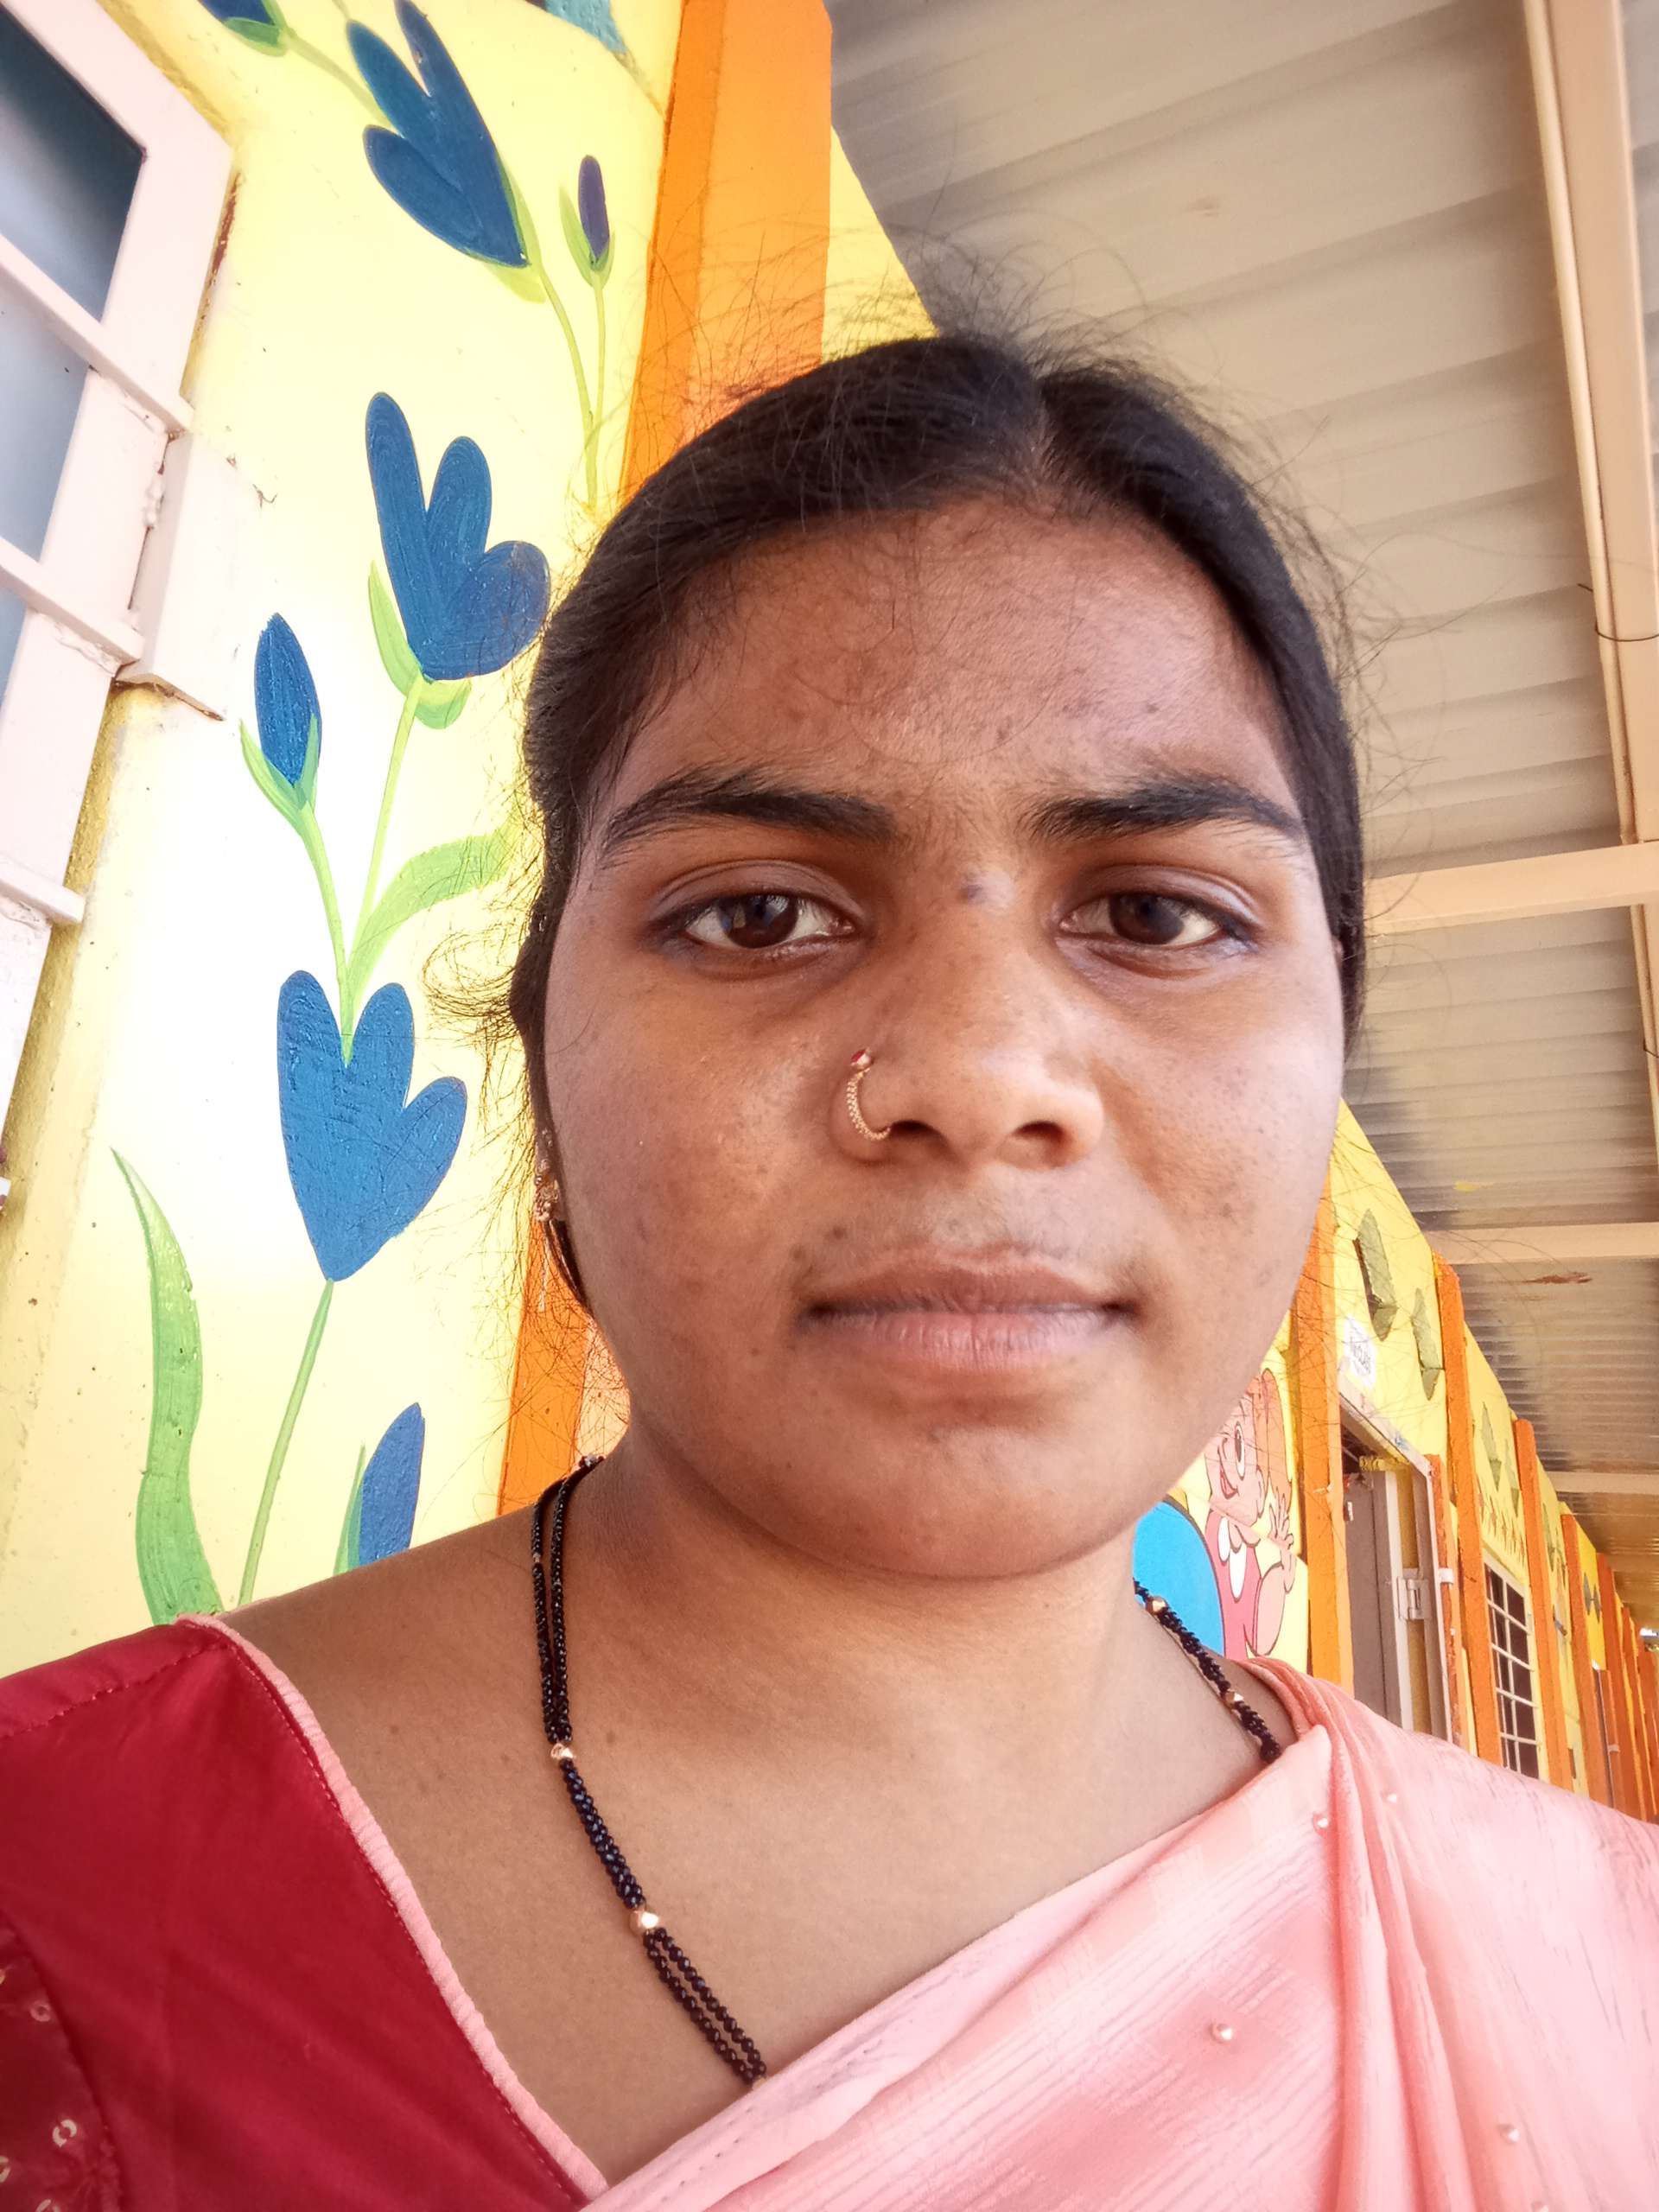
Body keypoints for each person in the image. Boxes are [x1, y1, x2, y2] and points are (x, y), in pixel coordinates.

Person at [2, 331, 1655, 2210]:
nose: (978, 1075)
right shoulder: (65, 1906)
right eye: (760, 912)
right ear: (547, 1062)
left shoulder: (1599, 1974)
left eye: (1155, 912)